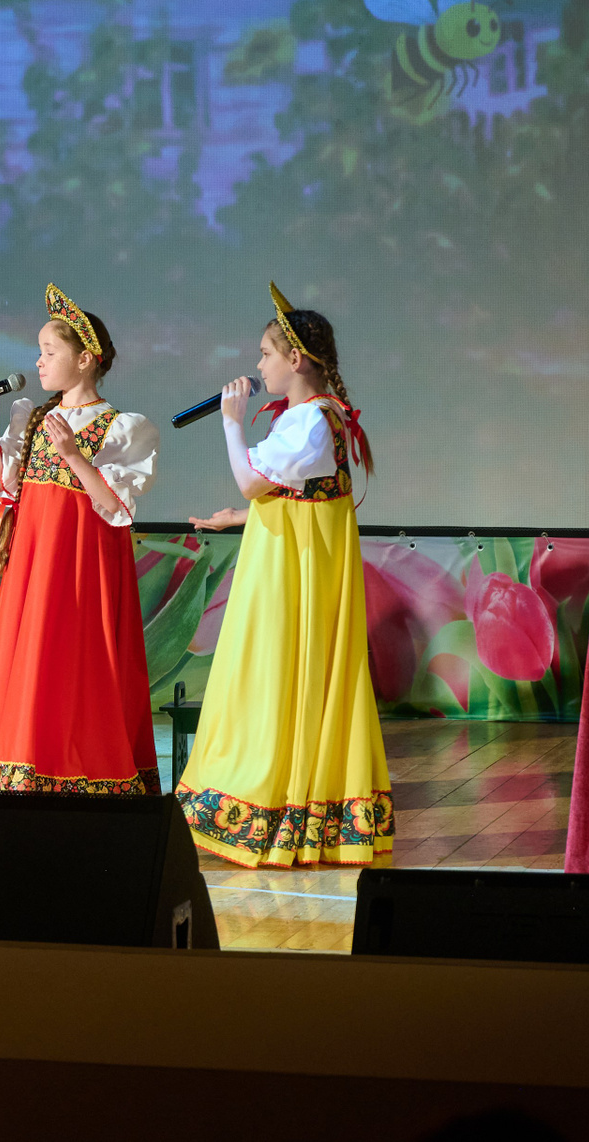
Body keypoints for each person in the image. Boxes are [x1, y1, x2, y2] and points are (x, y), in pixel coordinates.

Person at [177, 283, 393, 867]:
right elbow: (299, 496)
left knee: (275, 671)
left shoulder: (312, 421)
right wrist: (242, 515)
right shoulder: (313, 418)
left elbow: (253, 479)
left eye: (266, 354)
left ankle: (271, 800)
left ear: (296, 359)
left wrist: (231, 423)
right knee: (275, 670)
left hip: (290, 575)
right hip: (288, 562)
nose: (259, 365)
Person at [0, 283, 162, 794]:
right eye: (39, 351)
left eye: (49, 351)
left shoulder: (121, 427)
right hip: (35, 565)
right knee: (30, 660)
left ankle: (81, 770)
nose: (39, 362)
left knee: (77, 663)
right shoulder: (33, 416)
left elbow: (115, 507)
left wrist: (73, 456)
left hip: (82, 568)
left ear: (85, 359)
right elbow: (1, 486)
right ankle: (24, 764)